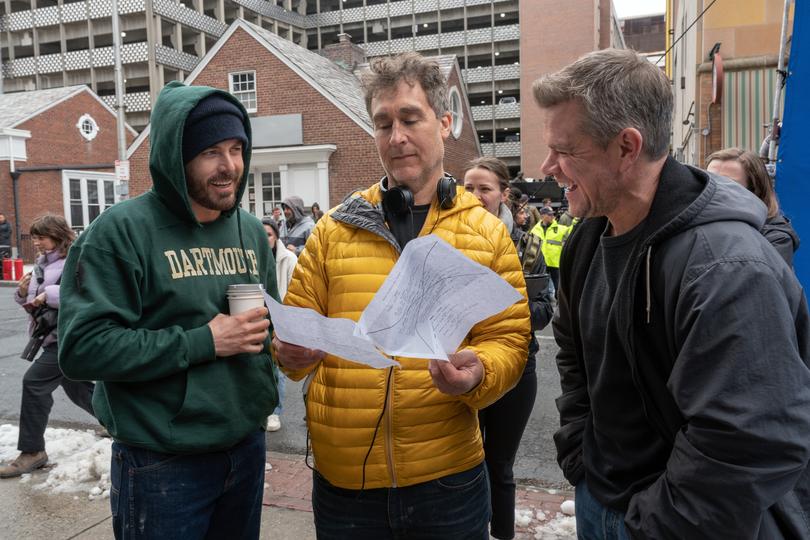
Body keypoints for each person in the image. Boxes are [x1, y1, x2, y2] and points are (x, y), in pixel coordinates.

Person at [537, 48, 810, 538]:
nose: (548, 166)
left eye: (564, 150)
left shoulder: (725, 266)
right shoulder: (586, 239)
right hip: (599, 498)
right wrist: (580, 455)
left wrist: (654, 524)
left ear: (626, 147)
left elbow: (750, 441)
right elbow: (574, 356)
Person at [274, 52, 531, 539]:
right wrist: (290, 353)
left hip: (448, 481)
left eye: (411, 119)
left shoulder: (486, 233)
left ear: (445, 122)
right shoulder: (332, 231)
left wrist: (478, 371)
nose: (396, 137)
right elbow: (294, 342)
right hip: (346, 486)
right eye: (383, 123)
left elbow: (510, 340)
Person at [58, 83, 280, 539]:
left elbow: (266, 328)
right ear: (174, 156)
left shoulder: (253, 232)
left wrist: (287, 346)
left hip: (246, 449)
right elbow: (82, 349)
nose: (229, 166)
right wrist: (205, 341)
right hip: (162, 460)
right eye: (210, 152)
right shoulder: (118, 233)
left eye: (237, 149)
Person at [464, 157, 553, 540]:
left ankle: (500, 533)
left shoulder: (528, 243)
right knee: (465, 462)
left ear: (504, 194)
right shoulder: (442, 236)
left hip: (516, 366)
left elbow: (545, 309)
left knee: (499, 465)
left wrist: (505, 306)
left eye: (484, 188)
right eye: (468, 187)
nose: (475, 195)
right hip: (462, 364)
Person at [0, 215, 95, 478]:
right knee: (76, 386)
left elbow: (85, 294)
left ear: (57, 235)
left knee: (34, 383)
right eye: (35, 237)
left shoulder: (75, 260)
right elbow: (33, 304)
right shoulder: (43, 264)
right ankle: (116, 420)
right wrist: (22, 293)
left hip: (69, 337)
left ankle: (33, 452)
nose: (37, 242)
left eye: (41, 237)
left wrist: (49, 294)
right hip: (49, 336)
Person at [706, 147, 800, 266]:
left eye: (729, 184)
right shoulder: (697, 225)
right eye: (710, 181)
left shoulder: (775, 238)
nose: (715, 190)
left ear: (755, 191)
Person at [261, 217, 298, 432]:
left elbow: (295, 291)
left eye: (269, 235)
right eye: (262, 234)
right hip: (260, 317)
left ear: (276, 237)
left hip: (281, 319)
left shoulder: (289, 259)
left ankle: (275, 412)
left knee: (279, 367)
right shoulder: (253, 257)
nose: (265, 239)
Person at [529, 206, 569, 294]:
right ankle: (546, 302)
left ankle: (559, 303)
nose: (552, 217)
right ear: (543, 216)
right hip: (541, 261)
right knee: (542, 286)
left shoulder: (559, 228)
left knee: (558, 286)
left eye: (552, 215)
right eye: (549, 215)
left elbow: (572, 229)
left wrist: (576, 220)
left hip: (555, 262)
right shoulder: (535, 230)